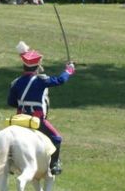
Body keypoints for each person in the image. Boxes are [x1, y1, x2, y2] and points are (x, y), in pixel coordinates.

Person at [8, 42, 75, 175]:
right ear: (37, 66)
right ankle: (54, 164)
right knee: (57, 138)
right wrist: (69, 70)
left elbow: (11, 102)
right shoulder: (41, 80)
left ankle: (9, 159)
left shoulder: (15, 82)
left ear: (24, 65)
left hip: (19, 118)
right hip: (36, 119)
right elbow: (60, 80)